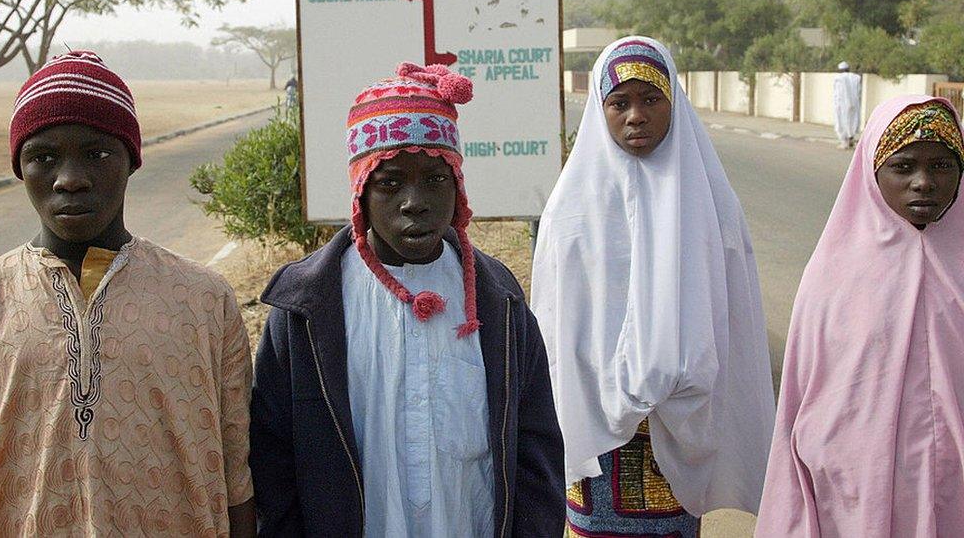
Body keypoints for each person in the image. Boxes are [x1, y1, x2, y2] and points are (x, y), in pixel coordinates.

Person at [249, 62, 565, 536]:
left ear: (457, 184)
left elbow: (535, 445)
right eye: (390, 182)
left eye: (435, 179)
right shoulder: (307, 310)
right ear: (361, 192)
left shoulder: (499, 302)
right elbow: (274, 458)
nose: (414, 201)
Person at [0, 51, 255, 536]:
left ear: (131, 159)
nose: (70, 179)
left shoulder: (203, 298)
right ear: (18, 167)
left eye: (97, 153)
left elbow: (237, 474)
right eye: (43, 157)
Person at [531, 36, 776, 538]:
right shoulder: (572, 210)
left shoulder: (710, 205)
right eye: (619, 103)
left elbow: (733, 322)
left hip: (681, 423)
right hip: (597, 427)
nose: (635, 116)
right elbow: (555, 325)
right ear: (601, 110)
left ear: (675, 103)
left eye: (651, 99)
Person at [755, 95, 964, 537]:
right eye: (903, 166)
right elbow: (801, 400)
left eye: (942, 166)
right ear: (871, 171)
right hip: (854, 490)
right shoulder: (834, 277)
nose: (923, 182)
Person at [834, 61, 862, 149]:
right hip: (854, 103)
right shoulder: (856, 77)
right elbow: (859, 91)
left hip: (842, 104)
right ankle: (851, 139)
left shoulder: (838, 78)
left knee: (842, 122)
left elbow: (837, 93)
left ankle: (844, 142)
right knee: (852, 121)